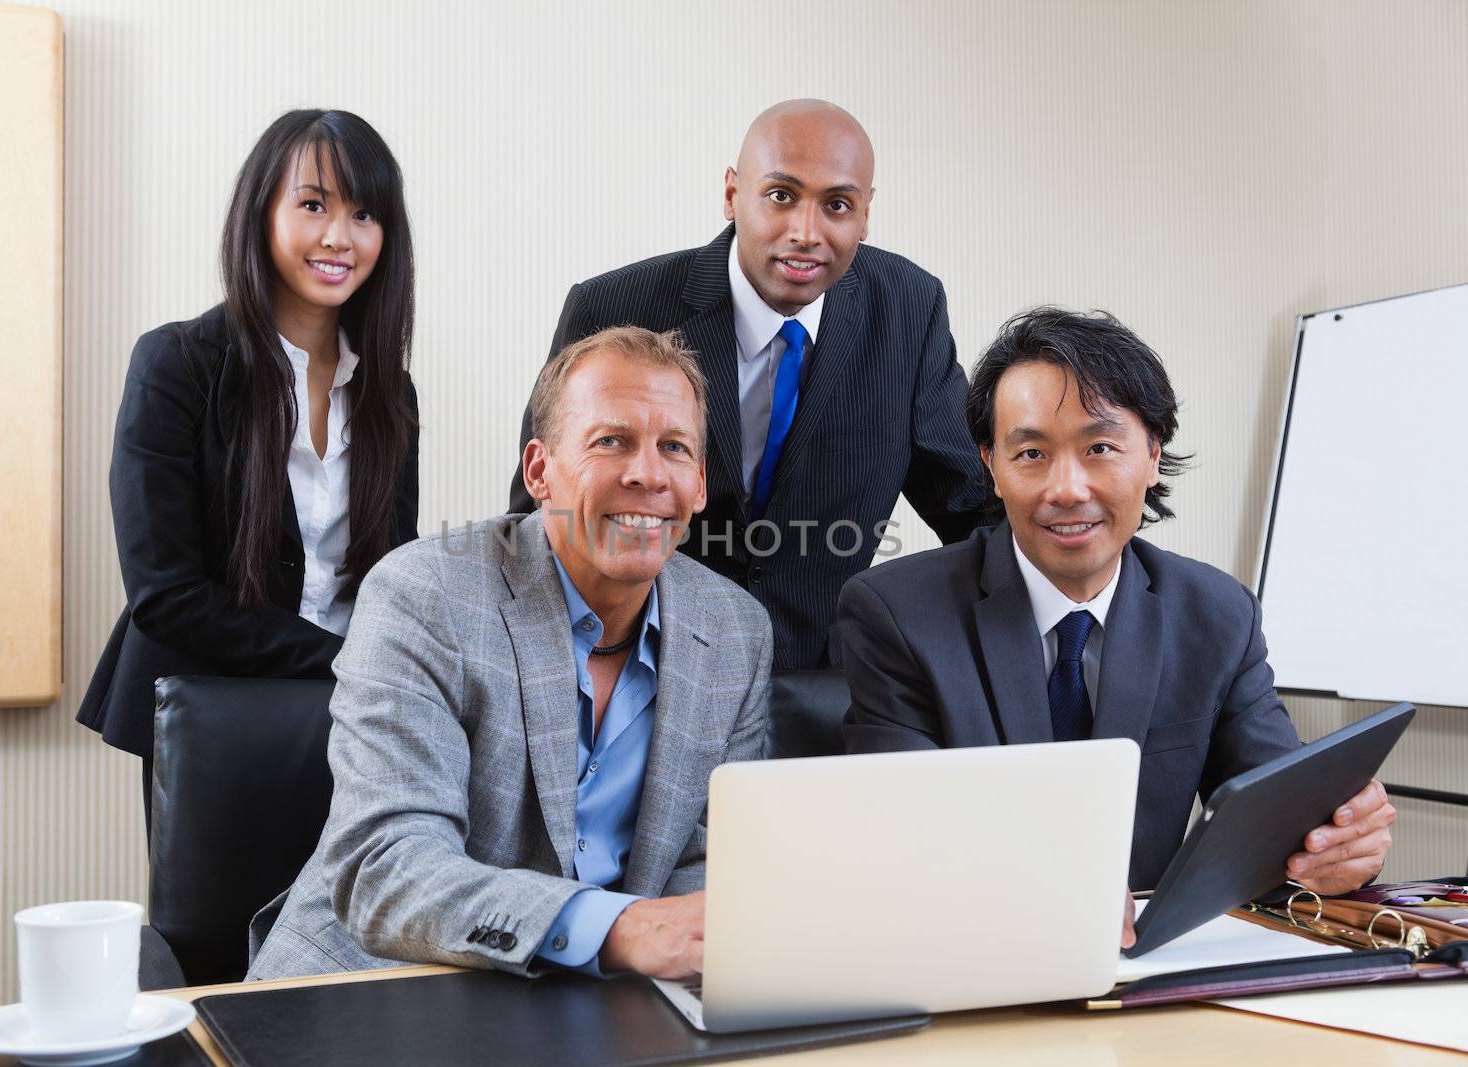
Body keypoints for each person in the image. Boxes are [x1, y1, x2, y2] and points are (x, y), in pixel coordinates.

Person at [247, 327, 771, 981]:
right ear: (538, 470)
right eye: (611, 441)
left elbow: (702, 868)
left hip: (608, 1007)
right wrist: (610, 927)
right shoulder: (425, 595)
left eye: (673, 448)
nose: (646, 473)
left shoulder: (736, 632)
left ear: (697, 484)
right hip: (377, 984)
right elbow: (387, 869)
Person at [839, 308, 1396, 907]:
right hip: (973, 950)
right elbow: (898, 835)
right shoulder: (896, 612)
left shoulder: (1216, 615)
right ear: (991, 468)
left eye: (1100, 447)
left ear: (1154, 454)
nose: (1067, 489)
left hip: (1146, 966)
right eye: (1031, 454)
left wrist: (1337, 846)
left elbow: (1281, 820)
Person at [508, 99, 987, 670]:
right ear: (733, 194)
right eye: (781, 196)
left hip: (827, 688)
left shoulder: (909, 308)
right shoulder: (614, 307)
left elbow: (970, 507)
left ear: (865, 214)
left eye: (837, 205)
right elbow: (542, 515)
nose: (806, 232)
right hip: (642, 671)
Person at [76, 110, 421, 823]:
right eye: (313, 204)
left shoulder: (391, 391)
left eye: (365, 213)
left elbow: (390, 573)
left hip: (359, 718)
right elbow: (166, 594)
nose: (339, 236)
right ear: (261, 211)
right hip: (210, 712)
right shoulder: (176, 364)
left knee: (357, 924)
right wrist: (342, 658)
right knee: (216, 932)